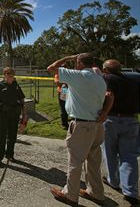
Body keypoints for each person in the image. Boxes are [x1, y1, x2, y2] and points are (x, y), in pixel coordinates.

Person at [47, 53, 110, 206]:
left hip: (82, 125)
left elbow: (51, 68)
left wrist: (68, 57)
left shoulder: (78, 76)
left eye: (76, 62)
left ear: (79, 62)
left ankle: (70, 195)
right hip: (97, 126)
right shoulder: (99, 78)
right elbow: (109, 96)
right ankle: (96, 193)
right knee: (93, 161)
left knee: (75, 162)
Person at [101, 59, 139, 205]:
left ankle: (114, 181)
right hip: (131, 120)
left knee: (109, 152)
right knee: (129, 156)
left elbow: (109, 95)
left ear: (105, 70)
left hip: (111, 119)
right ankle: (131, 191)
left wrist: (104, 111)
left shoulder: (107, 78)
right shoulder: (133, 79)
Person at [0, 67, 26, 168]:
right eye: (9, 74)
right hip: (3, 113)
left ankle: (9, 154)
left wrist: (24, 115)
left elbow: (22, 99)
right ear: (4, 75)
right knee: (2, 135)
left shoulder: (16, 85)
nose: (11, 77)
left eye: (12, 75)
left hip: (15, 113)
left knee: (12, 135)